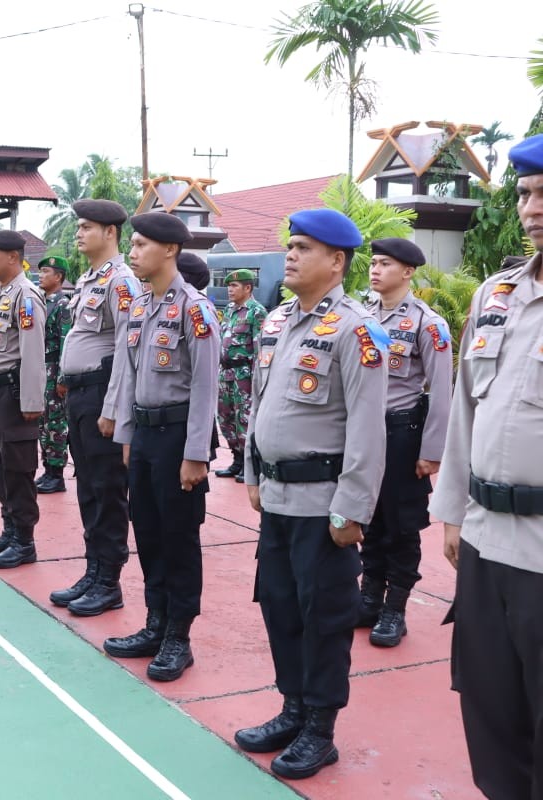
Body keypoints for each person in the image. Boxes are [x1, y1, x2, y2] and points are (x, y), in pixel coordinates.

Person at [234, 209, 388, 781]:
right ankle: (292, 709)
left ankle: (320, 729)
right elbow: (258, 403)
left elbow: (369, 428)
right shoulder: (277, 322)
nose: (290, 255)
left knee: (323, 616)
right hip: (275, 496)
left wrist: (353, 508)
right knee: (278, 606)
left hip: (323, 506)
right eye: (290, 246)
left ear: (336, 260)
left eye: (302, 247)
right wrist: (251, 472)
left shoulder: (356, 328)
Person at [430, 133, 543, 800]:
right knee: (491, 713)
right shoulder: (496, 297)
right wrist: (453, 513)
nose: (533, 209)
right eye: (527, 193)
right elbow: (466, 415)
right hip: (486, 541)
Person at [102, 212, 219, 678]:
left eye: (141, 245)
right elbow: (129, 376)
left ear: (169, 250)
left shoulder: (195, 309)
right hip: (146, 436)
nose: (132, 252)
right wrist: (128, 435)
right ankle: (154, 623)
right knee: (147, 532)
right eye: (131, 244)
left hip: (178, 439)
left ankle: (178, 636)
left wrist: (196, 455)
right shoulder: (140, 307)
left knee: (178, 538)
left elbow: (207, 388)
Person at [48, 199, 140, 618]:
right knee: (87, 485)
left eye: (87, 227)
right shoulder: (90, 279)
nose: (79, 233)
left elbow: (126, 347)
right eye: (79, 226)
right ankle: (93, 569)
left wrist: (115, 406)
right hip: (81, 394)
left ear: (110, 233)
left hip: (103, 393)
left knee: (106, 489)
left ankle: (109, 580)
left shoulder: (121, 281)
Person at [360, 238, 452, 648]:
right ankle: (368, 599)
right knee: (369, 518)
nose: (375, 269)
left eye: (385, 264)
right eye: (374, 262)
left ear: (408, 272)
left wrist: (431, 452)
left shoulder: (427, 323)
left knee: (400, 526)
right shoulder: (362, 316)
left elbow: (443, 391)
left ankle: (394, 608)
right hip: (365, 434)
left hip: (402, 435)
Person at [0, 230, 47, 568]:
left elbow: (32, 353)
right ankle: (9, 529)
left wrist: (32, 402)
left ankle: (24, 540)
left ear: (13, 257)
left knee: (18, 467)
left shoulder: (26, 296)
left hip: (14, 394)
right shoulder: (3, 294)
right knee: (0, 465)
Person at [214, 269, 267, 482]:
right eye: (229, 286)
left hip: (244, 374)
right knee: (225, 417)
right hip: (225, 372)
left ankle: (248, 465)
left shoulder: (256, 312)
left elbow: (259, 348)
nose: (230, 289)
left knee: (244, 419)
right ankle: (236, 460)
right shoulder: (228, 310)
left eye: (235, 286)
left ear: (248, 288)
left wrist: (257, 380)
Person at [36, 255, 73, 494]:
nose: (40, 275)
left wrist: (62, 378)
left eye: (45, 271)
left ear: (58, 276)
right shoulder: (42, 302)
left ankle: (57, 474)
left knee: (56, 423)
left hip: (54, 369)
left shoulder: (63, 304)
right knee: (43, 423)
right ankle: (48, 468)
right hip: (41, 370)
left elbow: (66, 342)